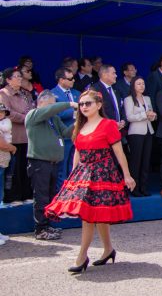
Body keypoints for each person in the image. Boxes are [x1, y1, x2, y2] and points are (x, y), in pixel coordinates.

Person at [45, 90, 135, 274]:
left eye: (88, 103)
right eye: (82, 104)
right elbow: (77, 152)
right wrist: (73, 175)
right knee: (95, 214)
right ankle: (108, 249)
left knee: (90, 216)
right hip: (83, 174)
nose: (84, 107)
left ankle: (82, 256)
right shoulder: (80, 125)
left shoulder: (108, 125)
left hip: (102, 173)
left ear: (99, 105)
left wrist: (127, 175)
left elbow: (119, 153)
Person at [25, 91, 76, 240]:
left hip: (53, 163)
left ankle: (47, 225)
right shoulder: (33, 115)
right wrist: (69, 104)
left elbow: (66, 133)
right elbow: (49, 110)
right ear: (41, 103)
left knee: (49, 196)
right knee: (41, 197)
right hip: (39, 162)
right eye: (51, 104)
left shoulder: (53, 118)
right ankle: (40, 229)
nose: (53, 107)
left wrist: (77, 122)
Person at [0, 67, 35, 203]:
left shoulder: (25, 94)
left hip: (27, 136)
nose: (20, 79)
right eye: (16, 77)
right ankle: (13, 196)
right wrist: (26, 117)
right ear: (8, 80)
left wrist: (31, 115)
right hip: (12, 136)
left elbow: (32, 107)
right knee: (13, 169)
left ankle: (26, 194)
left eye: (21, 77)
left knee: (26, 167)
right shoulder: (3, 94)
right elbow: (7, 113)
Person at [124, 77, 156, 197]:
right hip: (136, 132)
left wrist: (152, 115)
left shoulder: (147, 98)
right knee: (136, 161)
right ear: (133, 86)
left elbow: (150, 114)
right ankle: (134, 188)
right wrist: (144, 114)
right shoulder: (128, 99)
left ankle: (144, 187)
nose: (142, 86)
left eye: (143, 83)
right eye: (139, 84)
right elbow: (129, 117)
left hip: (148, 131)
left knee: (146, 160)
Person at [51, 67, 80, 189]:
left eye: (73, 78)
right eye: (70, 78)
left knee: (74, 166)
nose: (73, 80)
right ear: (61, 80)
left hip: (77, 134)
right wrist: (74, 112)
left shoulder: (77, 93)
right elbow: (54, 113)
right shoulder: (53, 94)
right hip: (63, 135)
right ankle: (61, 193)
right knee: (62, 167)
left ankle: (72, 190)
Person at [91, 65, 126, 129]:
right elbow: (95, 112)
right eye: (113, 73)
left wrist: (123, 120)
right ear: (104, 75)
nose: (116, 75)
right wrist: (112, 124)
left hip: (118, 129)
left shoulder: (116, 88)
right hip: (103, 130)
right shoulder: (94, 89)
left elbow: (121, 106)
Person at [0, 103, 16, 216]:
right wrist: (12, 148)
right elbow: (3, 145)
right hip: (3, 154)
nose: (1, 114)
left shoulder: (6, 122)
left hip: (4, 158)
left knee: (5, 181)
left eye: (2, 112)